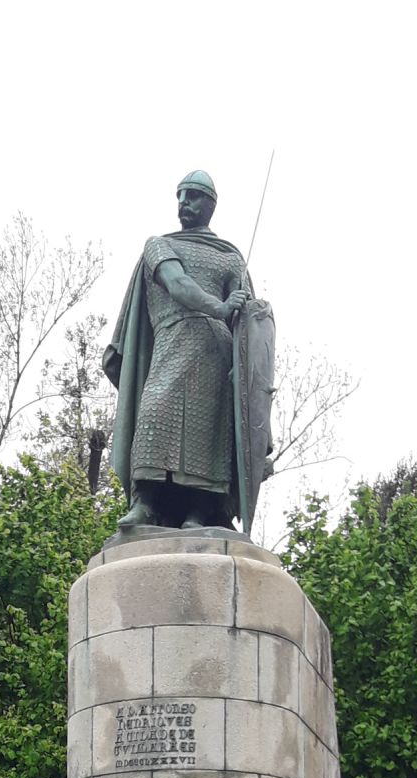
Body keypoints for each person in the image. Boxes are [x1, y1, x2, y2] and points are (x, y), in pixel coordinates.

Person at [103, 171, 250, 531]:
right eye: (181, 195)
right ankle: (146, 503)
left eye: (194, 195)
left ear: (210, 205)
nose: (184, 201)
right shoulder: (159, 245)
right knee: (154, 416)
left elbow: (248, 319)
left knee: (210, 432)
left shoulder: (231, 258)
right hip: (172, 342)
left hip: (217, 353)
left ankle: (201, 512)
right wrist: (220, 306)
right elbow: (177, 284)